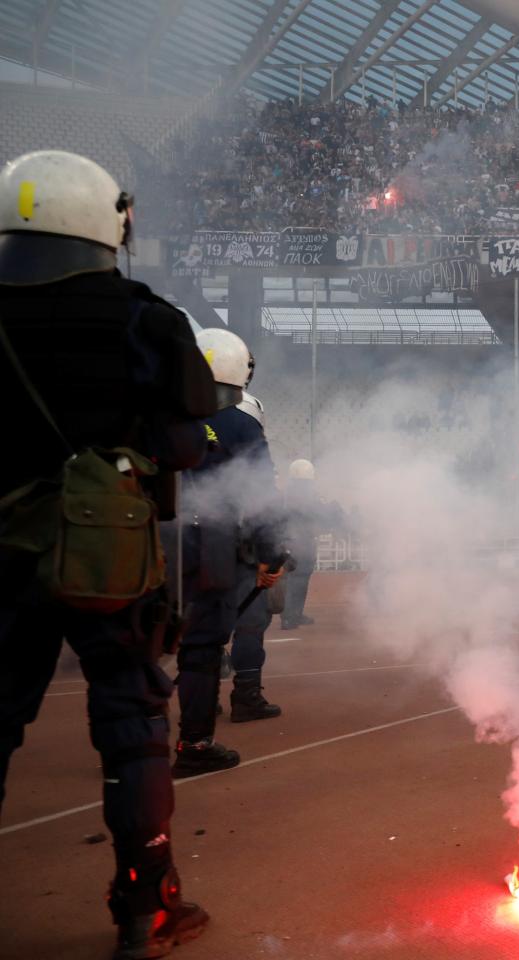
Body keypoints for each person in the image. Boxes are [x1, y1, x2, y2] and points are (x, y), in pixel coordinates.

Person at [0, 149, 218, 958]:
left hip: (3, 557)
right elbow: (192, 435)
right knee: (129, 720)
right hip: (107, 555)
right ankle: (146, 904)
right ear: (107, 220)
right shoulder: (141, 315)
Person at [170, 330, 289, 777]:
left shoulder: (157, 417)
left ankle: (127, 749)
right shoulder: (240, 425)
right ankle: (195, 744)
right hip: (212, 548)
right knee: (202, 648)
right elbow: (259, 496)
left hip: (152, 547)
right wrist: (272, 554)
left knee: (135, 653)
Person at [279, 458, 338, 630]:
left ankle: (293, 614)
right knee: (298, 579)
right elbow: (313, 512)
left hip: (291, 540)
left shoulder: (288, 491)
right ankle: (290, 616)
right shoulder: (304, 494)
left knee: (296, 579)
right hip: (300, 542)